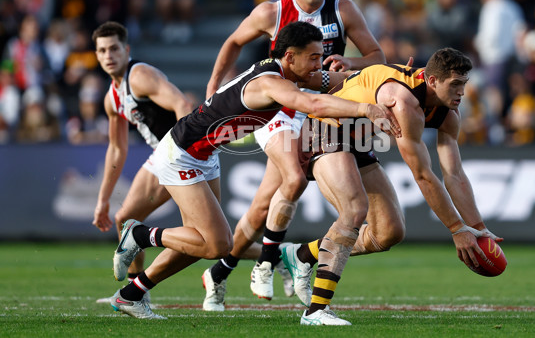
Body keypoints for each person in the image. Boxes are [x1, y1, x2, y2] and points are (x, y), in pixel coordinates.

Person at [109, 21, 399, 319]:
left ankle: (131, 295)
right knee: (218, 243)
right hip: (183, 153)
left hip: (205, 155)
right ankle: (141, 235)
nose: (318, 64)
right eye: (313, 57)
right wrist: (365, 109)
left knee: (196, 242)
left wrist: (390, 78)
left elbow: (338, 80)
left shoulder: (286, 72)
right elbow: (312, 102)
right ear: (290, 57)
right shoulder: (270, 83)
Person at [202, 0, 385, 311]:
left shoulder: (343, 8)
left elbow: (376, 57)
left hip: (322, 115)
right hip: (280, 113)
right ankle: (270, 262)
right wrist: (212, 89)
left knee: (259, 209)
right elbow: (234, 42)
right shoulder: (272, 12)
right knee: (292, 183)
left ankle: (220, 273)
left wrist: (346, 64)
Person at [279, 48, 502, 325]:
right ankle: (315, 311)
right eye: (454, 85)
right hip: (324, 128)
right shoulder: (404, 101)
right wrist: (457, 230)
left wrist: (477, 228)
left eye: (463, 85)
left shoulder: (449, 114)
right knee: (354, 210)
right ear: (432, 81)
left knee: (388, 232)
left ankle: (301, 254)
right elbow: (422, 175)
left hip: (357, 140)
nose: (461, 93)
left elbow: (454, 175)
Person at [91, 21, 195, 305]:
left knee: (206, 241)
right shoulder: (111, 99)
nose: (108, 55)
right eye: (102, 50)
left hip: (185, 152)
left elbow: (182, 105)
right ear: (97, 56)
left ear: (126, 50)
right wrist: (103, 200)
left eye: (114, 48)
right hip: (165, 155)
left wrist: (181, 153)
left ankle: (263, 258)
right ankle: (135, 295)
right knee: (124, 219)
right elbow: (116, 149)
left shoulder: (139, 76)